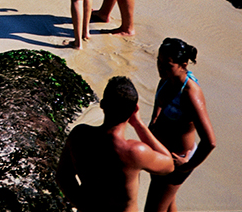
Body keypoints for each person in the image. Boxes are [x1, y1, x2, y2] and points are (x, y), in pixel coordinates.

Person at [57, 76, 176, 212]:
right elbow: (169, 165)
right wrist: (138, 124)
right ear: (134, 110)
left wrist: (83, 205)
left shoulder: (79, 136)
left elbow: (63, 177)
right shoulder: (135, 151)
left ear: (102, 104)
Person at [144, 38, 217, 212]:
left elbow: (210, 142)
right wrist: (154, 122)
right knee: (168, 204)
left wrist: (186, 166)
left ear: (183, 64)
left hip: (177, 162)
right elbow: (159, 104)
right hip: (160, 153)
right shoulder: (166, 78)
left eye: (167, 64)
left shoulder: (190, 94)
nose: (160, 67)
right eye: (158, 62)